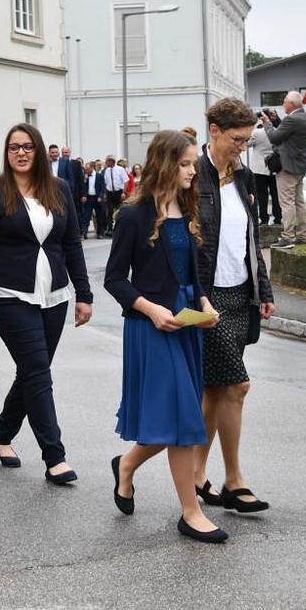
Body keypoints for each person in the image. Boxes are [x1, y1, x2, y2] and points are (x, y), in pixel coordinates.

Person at [105, 129, 226, 543]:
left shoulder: (187, 207)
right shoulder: (134, 214)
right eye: (186, 163)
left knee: (175, 418)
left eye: (193, 163)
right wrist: (152, 309)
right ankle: (190, 513)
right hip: (151, 327)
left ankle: (126, 465)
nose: (193, 171)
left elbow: (192, 273)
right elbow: (114, 279)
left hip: (187, 325)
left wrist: (205, 304)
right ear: (165, 164)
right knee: (182, 419)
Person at [0, 123, 93, 483]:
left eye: (27, 147)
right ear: (7, 153)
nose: (21, 153)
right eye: (14, 148)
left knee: (31, 372)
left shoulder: (59, 189)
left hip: (54, 296)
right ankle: (55, 457)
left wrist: (84, 294)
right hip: (9, 296)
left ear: (38, 151)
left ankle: (2, 435)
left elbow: (71, 244)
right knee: (39, 372)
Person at [193, 97, 275, 513]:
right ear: (214, 131)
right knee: (237, 386)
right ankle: (234, 480)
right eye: (237, 139)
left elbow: (251, 238)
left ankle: (194, 474)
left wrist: (264, 290)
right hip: (209, 297)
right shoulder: (193, 176)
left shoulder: (243, 176)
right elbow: (187, 244)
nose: (242, 147)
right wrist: (195, 295)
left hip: (240, 294)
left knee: (216, 391)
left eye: (246, 139)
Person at [264, 91, 306, 248]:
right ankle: (303, 235)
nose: (283, 104)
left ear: (291, 104)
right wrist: (276, 120)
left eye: (285, 101)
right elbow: (287, 133)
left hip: (287, 167)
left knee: (287, 203)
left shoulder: (292, 119)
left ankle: (288, 237)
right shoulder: (305, 118)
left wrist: (267, 123)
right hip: (299, 166)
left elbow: (274, 137)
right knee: (299, 202)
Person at [249, 116, 282, 226]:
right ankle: (278, 218)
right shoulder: (277, 132)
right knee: (275, 194)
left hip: (259, 168)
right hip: (274, 166)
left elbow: (247, 143)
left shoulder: (257, 133)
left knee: (261, 195)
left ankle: (264, 219)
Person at [103, 155, 129, 236]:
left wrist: (124, 192)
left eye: (107, 161)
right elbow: (106, 182)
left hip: (119, 192)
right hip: (110, 193)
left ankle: (120, 228)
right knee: (109, 211)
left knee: (120, 211)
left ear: (112, 161)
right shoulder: (107, 170)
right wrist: (105, 193)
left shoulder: (120, 169)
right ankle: (110, 229)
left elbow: (126, 181)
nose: (106, 163)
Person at [81, 161, 106, 239]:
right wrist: (84, 196)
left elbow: (103, 187)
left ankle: (100, 233)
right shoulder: (85, 176)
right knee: (86, 216)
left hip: (97, 198)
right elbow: (83, 187)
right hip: (89, 198)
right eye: (85, 169)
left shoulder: (100, 176)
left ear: (92, 168)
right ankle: (84, 233)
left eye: (88, 169)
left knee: (99, 216)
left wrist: (100, 196)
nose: (86, 171)